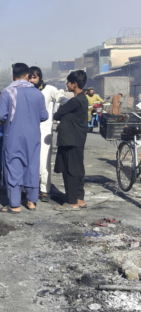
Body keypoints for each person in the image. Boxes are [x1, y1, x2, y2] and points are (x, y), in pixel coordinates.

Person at [0, 63, 49, 213]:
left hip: (14, 135)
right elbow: (44, 116)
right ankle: (31, 202)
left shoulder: (8, 92)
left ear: (13, 76)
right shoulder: (38, 93)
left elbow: (1, 115)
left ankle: (15, 204)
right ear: (27, 76)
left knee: (14, 165)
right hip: (33, 136)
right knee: (32, 165)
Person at [29, 67, 68, 203]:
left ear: (40, 77)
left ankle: (44, 190)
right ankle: (30, 187)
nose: (31, 80)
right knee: (28, 160)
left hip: (44, 130)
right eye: (30, 77)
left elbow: (62, 100)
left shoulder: (49, 89)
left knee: (44, 160)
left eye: (34, 77)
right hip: (28, 129)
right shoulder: (25, 91)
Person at [53, 70, 89, 211]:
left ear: (74, 84)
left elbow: (57, 114)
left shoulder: (75, 100)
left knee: (70, 170)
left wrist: (62, 113)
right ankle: (79, 199)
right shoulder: (83, 98)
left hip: (71, 140)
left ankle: (72, 202)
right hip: (77, 140)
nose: (66, 85)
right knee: (78, 169)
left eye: (68, 82)